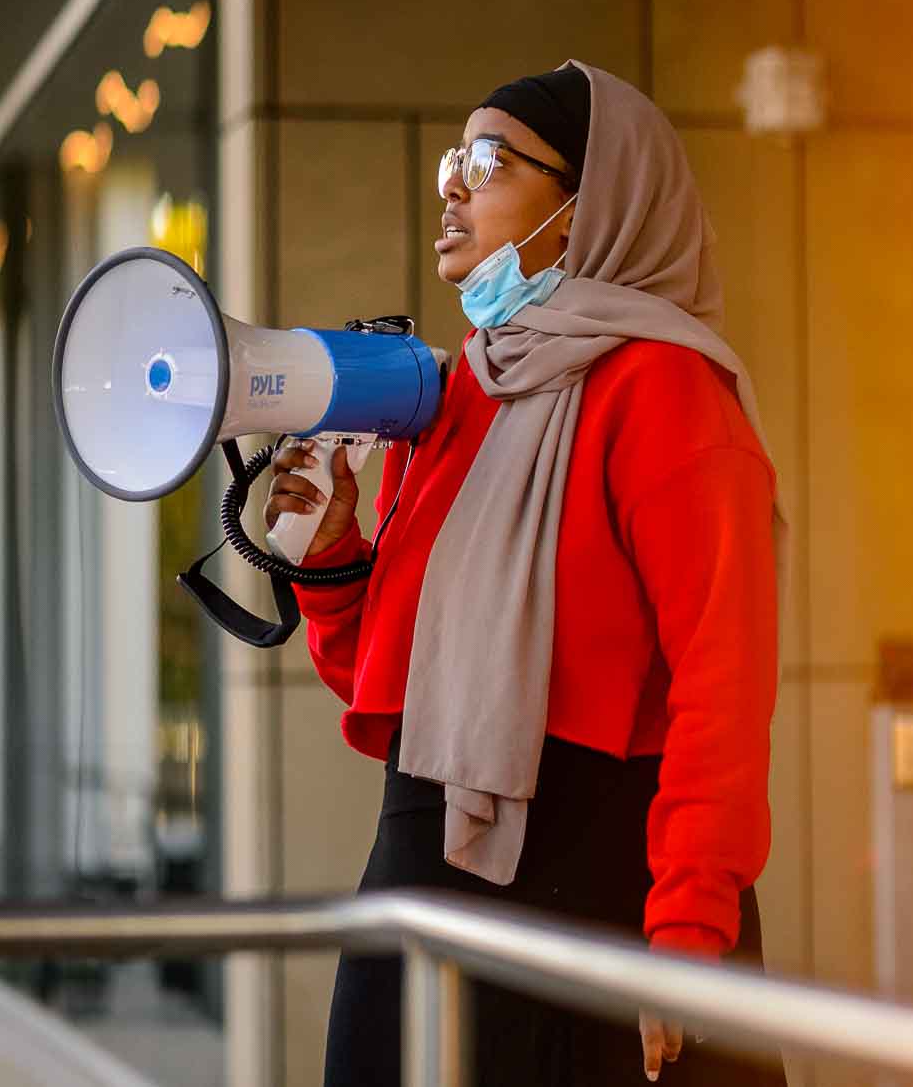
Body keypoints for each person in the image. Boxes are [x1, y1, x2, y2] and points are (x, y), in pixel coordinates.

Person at [264, 61, 789, 1086]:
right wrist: (332, 554)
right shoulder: (458, 388)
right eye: (452, 160)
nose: (452, 185)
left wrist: (685, 932)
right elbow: (399, 690)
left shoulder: (668, 393)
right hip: (425, 882)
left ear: (592, 207)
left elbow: (722, 693)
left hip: (603, 904)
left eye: (489, 161)